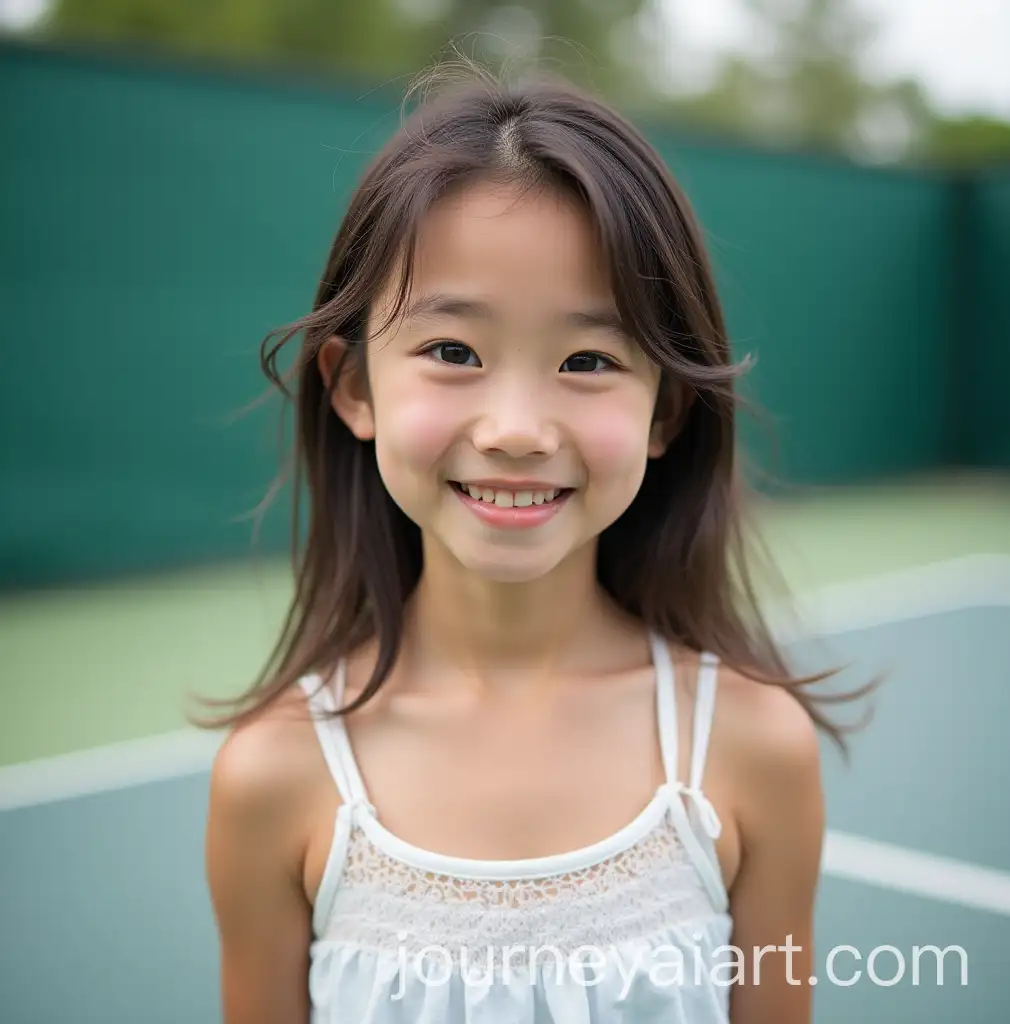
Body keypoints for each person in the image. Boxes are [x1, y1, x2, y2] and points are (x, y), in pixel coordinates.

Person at [198, 61, 859, 1024]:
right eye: (453, 352)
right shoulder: (274, 775)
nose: (515, 427)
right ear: (353, 388)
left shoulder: (755, 747)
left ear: (665, 408)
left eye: (588, 360)